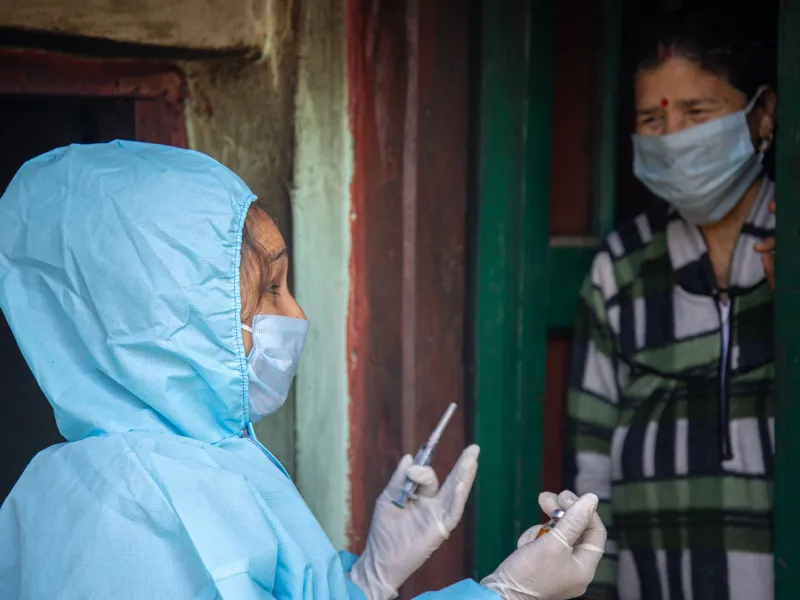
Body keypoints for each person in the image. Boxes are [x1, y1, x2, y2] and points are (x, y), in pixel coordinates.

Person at [0, 140, 605, 600]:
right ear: (156, 315)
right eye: (270, 288)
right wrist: (501, 593)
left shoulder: (201, 456)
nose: (296, 313)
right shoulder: (122, 511)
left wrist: (363, 579)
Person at [564, 10, 777, 600]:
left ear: (764, 114)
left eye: (697, 114)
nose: (674, 136)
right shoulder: (622, 271)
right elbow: (590, 482)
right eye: (653, 118)